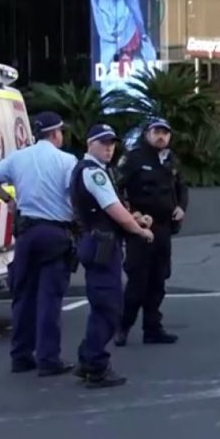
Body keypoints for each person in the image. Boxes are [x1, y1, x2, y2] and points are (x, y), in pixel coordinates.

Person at [0, 111, 78, 376]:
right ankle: (48, 359)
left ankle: (21, 356)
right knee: (49, 299)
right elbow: (74, 195)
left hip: (25, 235)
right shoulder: (67, 160)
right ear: (56, 133)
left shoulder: (18, 157)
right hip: (55, 234)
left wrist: (7, 200)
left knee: (23, 296)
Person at [70, 125, 154, 388]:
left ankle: (87, 359)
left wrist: (135, 217)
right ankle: (96, 365)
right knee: (108, 308)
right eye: (103, 143)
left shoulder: (96, 171)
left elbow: (116, 206)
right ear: (89, 143)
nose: (109, 148)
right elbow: (113, 208)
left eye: (112, 143)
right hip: (102, 246)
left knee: (101, 305)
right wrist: (139, 230)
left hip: (97, 243)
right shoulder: (93, 173)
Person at [114, 118, 187, 346]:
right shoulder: (133, 158)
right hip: (140, 228)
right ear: (147, 133)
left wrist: (181, 207)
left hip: (164, 227)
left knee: (158, 280)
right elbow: (116, 188)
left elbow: (181, 187)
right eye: (157, 132)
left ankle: (153, 328)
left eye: (165, 132)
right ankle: (123, 327)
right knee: (137, 281)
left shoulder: (170, 159)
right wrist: (130, 214)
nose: (161, 136)